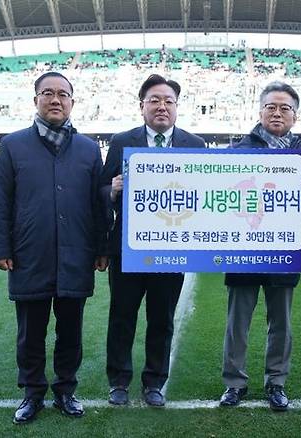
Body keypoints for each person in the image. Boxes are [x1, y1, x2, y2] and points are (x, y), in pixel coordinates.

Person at [0, 72, 108, 424]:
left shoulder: (88, 148)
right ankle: (32, 393)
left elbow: (97, 204)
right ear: (35, 100)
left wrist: (102, 247)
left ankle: (66, 390)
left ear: (72, 101)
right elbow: (0, 202)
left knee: (70, 331)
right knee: (30, 333)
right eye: (47, 93)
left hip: (76, 255)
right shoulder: (13, 145)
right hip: (30, 255)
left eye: (63, 94)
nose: (55, 100)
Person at [102, 74, 206, 407]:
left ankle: (154, 382)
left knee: (161, 318)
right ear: (142, 105)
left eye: (168, 101)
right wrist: (113, 190)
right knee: (122, 316)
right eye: (154, 100)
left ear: (177, 107)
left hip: (171, 251)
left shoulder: (195, 145)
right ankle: (118, 381)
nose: (162, 106)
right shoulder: (121, 141)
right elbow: (100, 191)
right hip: (128, 249)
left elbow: (203, 197)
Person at [219, 82, 301, 411]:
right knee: (238, 323)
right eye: (271, 107)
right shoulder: (237, 150)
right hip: (244, 251)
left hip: (285, 253)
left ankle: (276, 382)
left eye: (285, 108)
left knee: (282, 323)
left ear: (295, 114)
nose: (277, 113)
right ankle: (234, 384)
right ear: (260, 110)